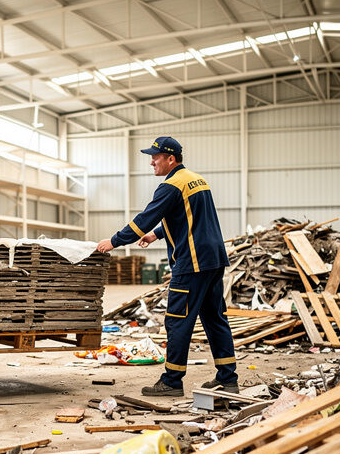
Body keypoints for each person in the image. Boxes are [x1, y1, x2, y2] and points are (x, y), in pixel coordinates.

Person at [96, 136, 237, 396]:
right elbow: (186, 216)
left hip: (192, 264)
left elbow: (144, 219)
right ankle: (228, 378)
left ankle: (172, 381)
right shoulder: (196, 180)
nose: (151, 161)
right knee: (215, 319)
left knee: (177, 322)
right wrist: (156, 235)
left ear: (170, 159)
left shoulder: (170, 186)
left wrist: (113, 242)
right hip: (213, 260)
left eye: (155, 157)